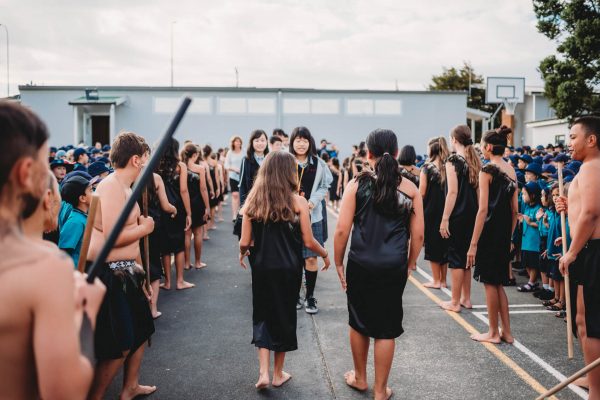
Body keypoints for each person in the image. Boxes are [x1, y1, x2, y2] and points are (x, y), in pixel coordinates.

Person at [0, 102, 105, 399]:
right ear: (25, 172)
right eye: (45, 163)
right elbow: (65, 391)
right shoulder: (43, 266)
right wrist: (86, 315)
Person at [333, 128, 424, 400]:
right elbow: (418, 235)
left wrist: (338, 262)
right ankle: (381, 390)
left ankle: (360, 379)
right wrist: (409, 263)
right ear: (396, 154)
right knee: (386, 327)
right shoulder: (410, 188)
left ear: (368, 153)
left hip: (361, 262)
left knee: (359, 320)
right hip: (392, 264)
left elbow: (341, 230)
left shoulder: (356, 184)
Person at [239, 151, 330, 390]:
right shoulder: (298, 201)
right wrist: (325, 254)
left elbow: (245, 241)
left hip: (262, 267)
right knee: (284, 316)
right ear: (289, 172)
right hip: (289, 268)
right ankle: (278, 374)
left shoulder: (253, 201)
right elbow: (309, 241)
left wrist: (242, 253)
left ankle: (263, 374)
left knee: (263, 313)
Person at [86, 131, 156, 400]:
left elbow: (132, 243)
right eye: (146, 158)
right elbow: (113, 238)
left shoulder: (128, 188)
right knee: (121, 344)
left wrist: (143, 277)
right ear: (137, 159)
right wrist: (145, 228)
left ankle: (131, 387)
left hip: (129, 272)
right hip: (110, 274)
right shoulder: (111, 186)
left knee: (142, 330)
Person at [557, 116, 600, 399]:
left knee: (594, 323)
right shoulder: (587, 169)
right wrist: (567, 204)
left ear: (591, 139)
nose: (569, 142)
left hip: (593, 251)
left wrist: (572, 251)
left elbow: (592, 213)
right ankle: (591, 377)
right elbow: (583, 209)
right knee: (583, 320)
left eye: (573, 136)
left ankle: (597, 390)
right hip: (587, 247)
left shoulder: (593, 167)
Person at [466, 126, 518, 344]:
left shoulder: (487, 170)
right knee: (498, 284)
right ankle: (506, 331)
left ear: (487, 147)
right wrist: (510, 236)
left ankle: (493, 332)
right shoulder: (511, 170)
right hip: (504, 232)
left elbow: (483, 209)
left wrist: (473, 243)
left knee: (490, 283)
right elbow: (515, 210)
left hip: (489, 233)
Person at [290, 126, 333, 314]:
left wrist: (313, 201)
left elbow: (325, 185)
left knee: (311, 258)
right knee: (293, 259)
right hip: (289, 217)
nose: (301, 144)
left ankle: (310, 297)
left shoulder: (318, 163)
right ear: (292, 142)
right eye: (298, 140)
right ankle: (294, 296)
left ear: (310, 142)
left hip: (313, 216)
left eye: (305, 140)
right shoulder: (285, 161)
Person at [440, 125, 480, 312]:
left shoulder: (452, 161)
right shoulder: (474, 159)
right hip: (472, 214)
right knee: (466, 258)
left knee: (456, 259)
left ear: (454, 139)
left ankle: (455, 302)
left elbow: (452, 192)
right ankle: (466, 298)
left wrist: (445, 218)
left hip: (458, 214)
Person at [156, 138, 194, 291]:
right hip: (178, 206)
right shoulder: (180, 166)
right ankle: (180, 281)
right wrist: (189, 213)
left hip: (161, 205)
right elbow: (184, 190)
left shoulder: (156, 164)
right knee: (179, 245)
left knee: (165, 246)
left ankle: (167, 282)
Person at [420, 136, 450, 289]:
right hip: (447, 211)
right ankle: (443, 280)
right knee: (444, 245)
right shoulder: (448, 167)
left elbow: (422, 193)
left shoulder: (427, 168)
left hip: (430, 212)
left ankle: (436, 280)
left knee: (432, 246)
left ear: (431, 150)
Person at [181, 143, 210, 269]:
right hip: (197, 202)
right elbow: (203, 189)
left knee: (187, 234)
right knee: (198, 233)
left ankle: (187, 263)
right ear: (195, 155)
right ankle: (198, 262)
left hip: (183, 203)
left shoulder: (180, 167)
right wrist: (207, 206)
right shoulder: (200, 168)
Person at [59, 175, 93, 267]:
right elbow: (64, 253)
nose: (94, 193)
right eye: (90, 190)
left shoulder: (84, 216)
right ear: (82, 198)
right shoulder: (75, 221)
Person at [516, 182, 542, 293]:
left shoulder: (539, 208)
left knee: (533, 263)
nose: (523, 196)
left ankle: (531, 282)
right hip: (526, 240)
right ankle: (533, 282)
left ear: (533, 195)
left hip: (534, 242)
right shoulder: (526, 207)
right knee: (526, 262)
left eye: (525, 194)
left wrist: (530, 222)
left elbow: (539, 223)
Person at [239, 130, 269, 207]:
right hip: (252, 201)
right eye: (257, 140)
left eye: (262, 140)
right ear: (252, 142)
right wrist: (243, 205)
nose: (260, 143)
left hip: (269, 201)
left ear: (266, 142)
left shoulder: (271, 159)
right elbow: (242, 184)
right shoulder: (246, 160)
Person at [225, 136, 244, 221]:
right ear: (233, 143)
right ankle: (234, 215)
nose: (238, 143)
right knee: (235, 195)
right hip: (233, 176)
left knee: (242, 195)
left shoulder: (244, 152)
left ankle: (241, 213)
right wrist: (234, 169)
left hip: (243, 176)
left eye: (239, 141)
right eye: (236, 141)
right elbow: (226, 165)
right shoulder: (230, 152)